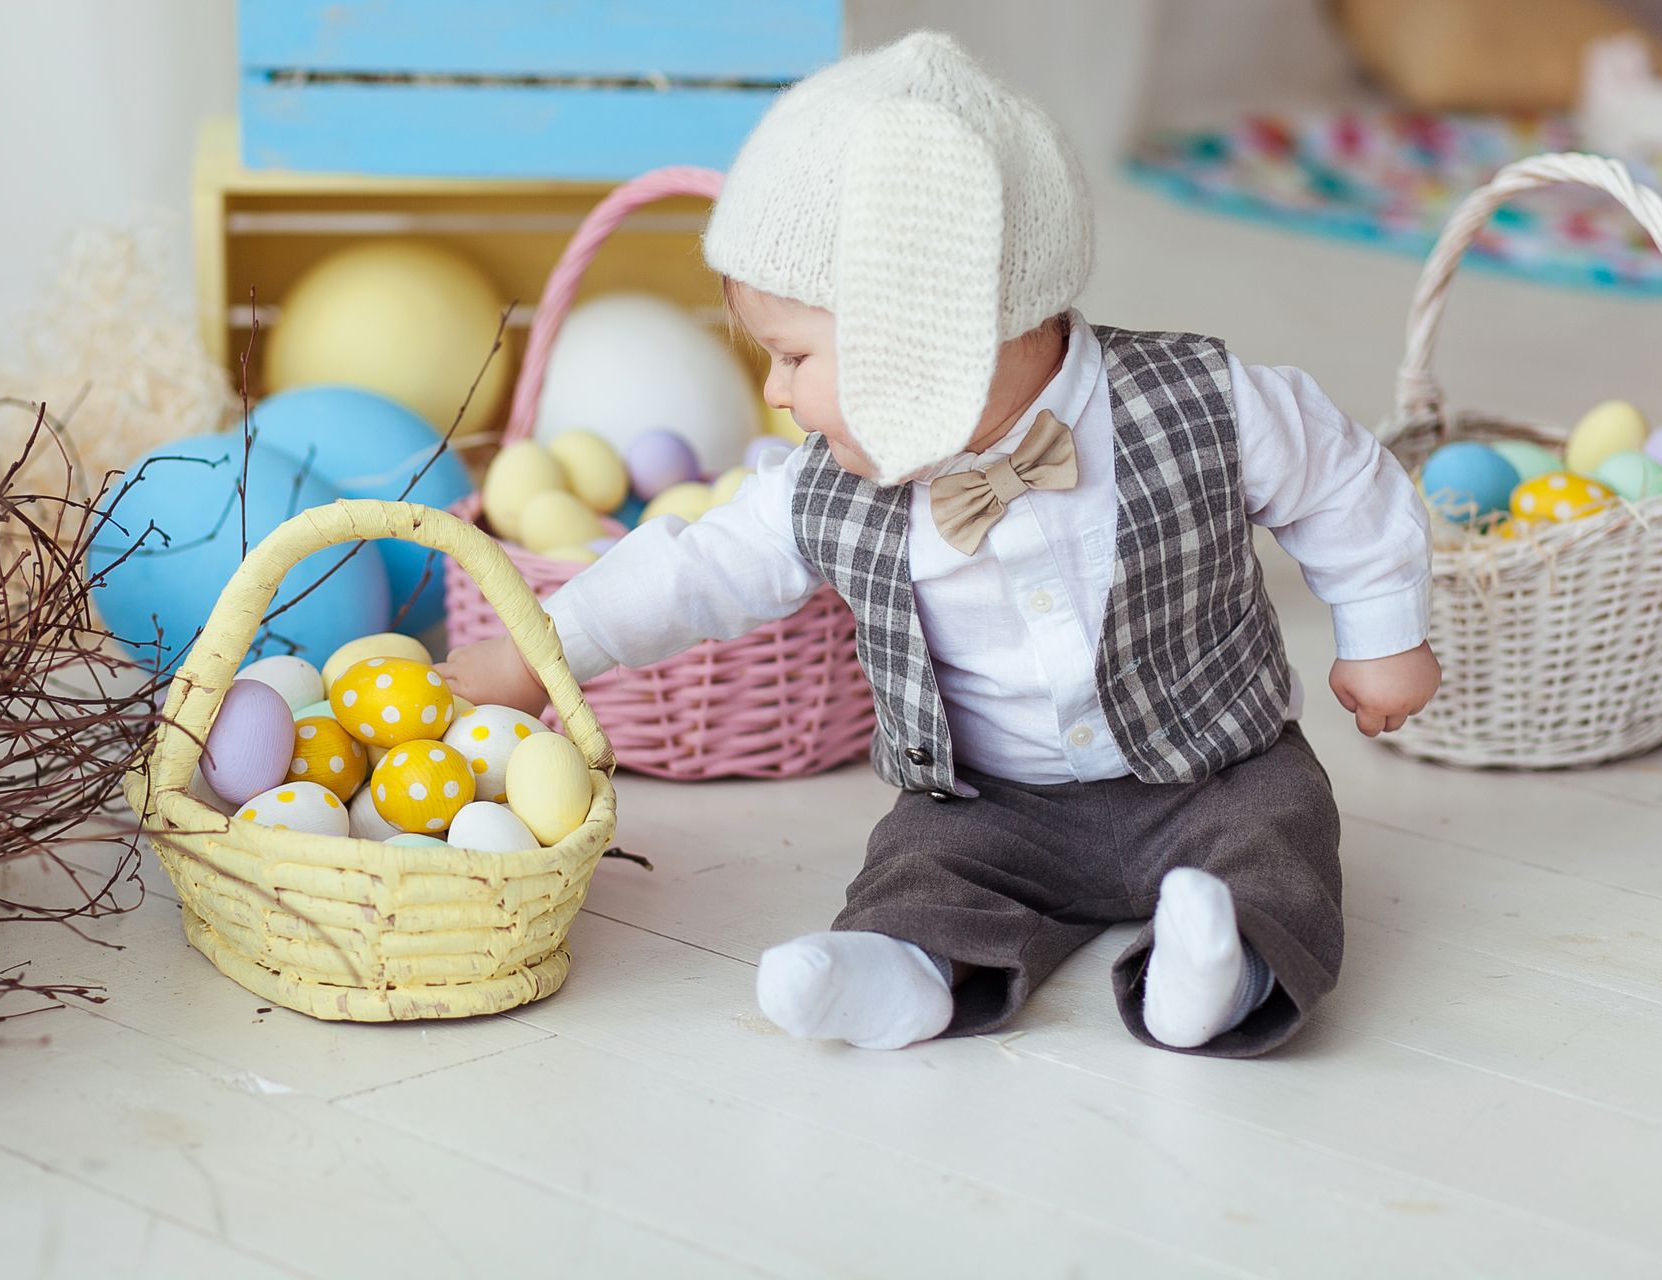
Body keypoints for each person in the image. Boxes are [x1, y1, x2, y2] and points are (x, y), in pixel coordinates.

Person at [439, 30, 1438, 1057]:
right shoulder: (826, 487)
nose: (776, 391)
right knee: (921, 857)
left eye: (793, 355)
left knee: (1278, 834)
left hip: (1211, 768)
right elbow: (693, 570)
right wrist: (538, 650)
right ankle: (905, 965)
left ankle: (1222, 963)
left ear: (921, 333)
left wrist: (1382, 630)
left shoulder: (1202, 400)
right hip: (995, 804)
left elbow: (1340, 477)